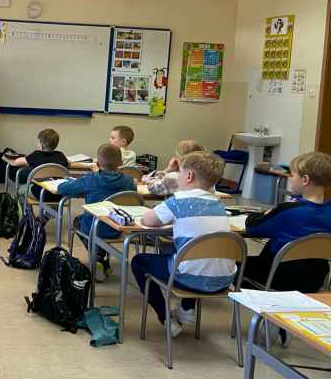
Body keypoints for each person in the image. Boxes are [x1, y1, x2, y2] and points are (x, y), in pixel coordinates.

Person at [131, 151, 236, 337]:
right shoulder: (219, 204)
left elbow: (147, 220)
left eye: (179, 172)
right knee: (193, 255)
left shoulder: (179, 201)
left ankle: (166, 318)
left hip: (189, 279)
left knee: (139, 261)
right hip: (224, 280)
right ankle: (187, 309)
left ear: (188, 176)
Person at [243, 152, 331, 292]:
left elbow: (252, 228)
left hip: (277, 277)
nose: (289, 179)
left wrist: (264, 214)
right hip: (314, 281)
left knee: (235, 263)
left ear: (305, 180)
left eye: (292, 175)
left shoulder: (287, 210)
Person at [57, 143, 135, 281]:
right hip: (119, 228)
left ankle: (97, 257)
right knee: (92, 223)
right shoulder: (129, 181)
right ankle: (101, 258)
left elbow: (63, 189)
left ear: (98, 163)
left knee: (78, 221)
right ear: (121, 163)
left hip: (95, 227)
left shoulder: (91, 179)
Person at [3, 128, 69, 187]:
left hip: (37, 189)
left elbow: (15, 163)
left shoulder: (36, 155)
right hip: (56, 190)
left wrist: (3, 157)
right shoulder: (61, 156)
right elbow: (67, 164)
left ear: (41, 145)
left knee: (2, 157)